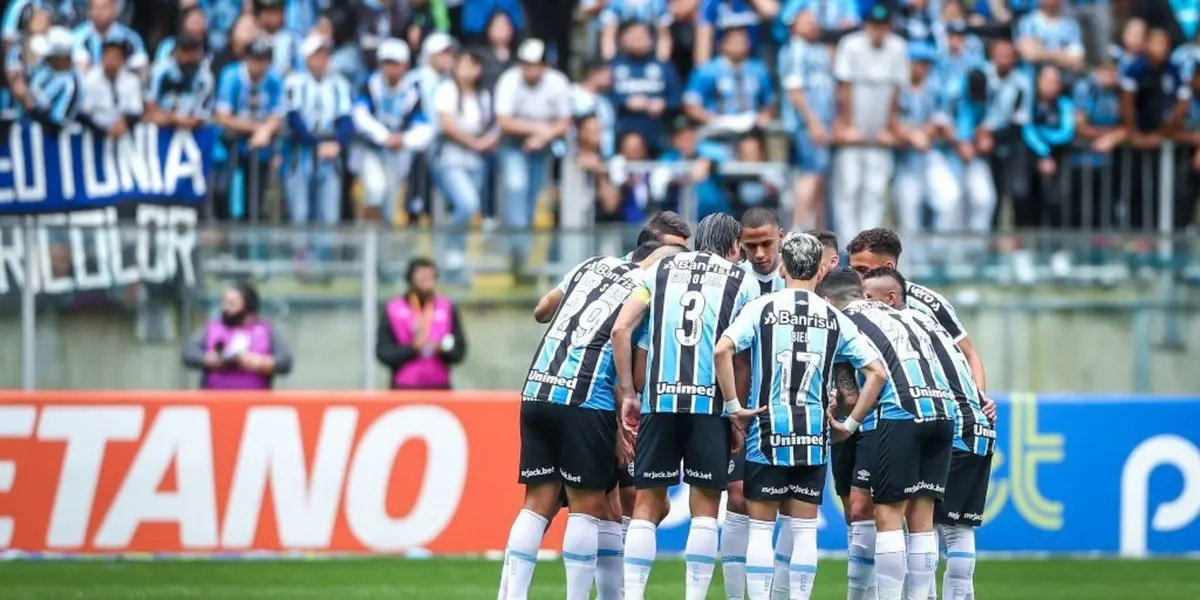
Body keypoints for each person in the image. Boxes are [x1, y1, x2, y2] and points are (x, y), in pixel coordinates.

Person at [498, 242, 685, 600]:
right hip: (585, 398)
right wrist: (628, 396)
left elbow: (543, 309)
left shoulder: (593, 264)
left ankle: (511, 595)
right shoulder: (650, 290)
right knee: (587, 509)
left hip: (537, 390)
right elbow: (631, 360)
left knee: (536, 503)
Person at [715, 233, 887, 600]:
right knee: (804, 531)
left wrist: (733, 407)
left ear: (782, 267)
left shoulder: (762, 307)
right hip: (813, 432)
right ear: (820, 272)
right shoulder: (833, 316)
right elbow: (877, 372)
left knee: (761, 530)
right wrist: (850, 424)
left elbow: (722, 350)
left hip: (769, 429)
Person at [610, 213, 762, 600]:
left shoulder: (659, 270)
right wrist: (736, 414)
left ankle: (632, 596)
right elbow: (740, 358)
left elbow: (621, 329)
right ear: (734, 247)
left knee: (646, 504)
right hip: (710, 406)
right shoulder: (742, 280)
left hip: (659, 401)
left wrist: (629, 391)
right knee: (706, 509)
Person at [819, 267, 957, 600]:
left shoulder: (842, 322)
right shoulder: (905, 315)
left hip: (900, 413)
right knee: (922, 520)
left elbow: (858, 390)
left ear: (828, 302)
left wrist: (847, 423)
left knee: (888, 516)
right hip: (943, 413)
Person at [862, 266, 996, 600]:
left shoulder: (896, 326)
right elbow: (967, 354)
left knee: (922, 524)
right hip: (976, 423)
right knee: (956, 528)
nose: (862, 301)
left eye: (867, 294)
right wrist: (979, 396)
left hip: (945, 419)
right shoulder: (928, 318)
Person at [846, 228, 991, 399]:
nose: (855, 277)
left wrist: (980, 397)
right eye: (852, 269)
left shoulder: (928, 304)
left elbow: (969, 354)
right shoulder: (848, 303)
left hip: (927, 404)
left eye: (863, 270)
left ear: (888, 267)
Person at [831, 3, 908, 251]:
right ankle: (847, 252)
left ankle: (868, 252)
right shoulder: (851, 45)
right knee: (849, 189)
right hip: (853, 131)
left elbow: (896, 92)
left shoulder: (898, 48)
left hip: (879, 133)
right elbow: (844, 89)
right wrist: (845, 126)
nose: (878, 30)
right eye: (874, 25)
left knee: (875, 191)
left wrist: (890, 127)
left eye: (883, 25)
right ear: (866, 25)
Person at [494, 38, 571, 258]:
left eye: (535, 64)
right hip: (513, 143)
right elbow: (503, 120)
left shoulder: (557, 82)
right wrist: (537, 129)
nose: (530, 70)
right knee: (515, 187)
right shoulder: (509, 80)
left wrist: (543, 136)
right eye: (526, 64)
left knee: (532, 196)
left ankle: (520, 247)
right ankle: (520, 247)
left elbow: (564, 121)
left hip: (542, 146)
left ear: (545, 65)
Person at [354, 38, 430, 226]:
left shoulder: (412, 90)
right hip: (372, 150)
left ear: (405, 65)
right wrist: (384, 136)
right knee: (375, 190)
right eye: (387, 63)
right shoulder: (370, 84)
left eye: (395, 63)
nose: (391, 69)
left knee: (391, 201)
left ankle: (383, 240)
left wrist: (404, 139)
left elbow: (423, 126)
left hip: (398, 154)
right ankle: (369, 236)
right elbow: (360, 116)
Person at [432, 48, 496, 260]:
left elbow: (492, 125)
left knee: (466, 210)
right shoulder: (446, 89)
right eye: (464, 64)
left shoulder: (483, 95)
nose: (469, 70)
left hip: (476, 161)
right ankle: (451, 251)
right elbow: (448, 125)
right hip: (450, 159)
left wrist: (486, 141)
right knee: (468, 204)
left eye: (474, 65)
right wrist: (474, 142)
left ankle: (457, 254)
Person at [213, 35, 285, 222]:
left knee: (255, 200)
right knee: (224, 195)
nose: (258, 65)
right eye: (254, 59)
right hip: (230, 146)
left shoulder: (274, 78)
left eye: (263, 60)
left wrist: (265, 131)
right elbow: (222, 116)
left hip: (259, 148)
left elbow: (278, 114)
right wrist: (258, 129)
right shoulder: (231, 76)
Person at [284, 33, 353, 232]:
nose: (321, 59)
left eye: (324, 53)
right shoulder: (295, 82)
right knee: (300, 213)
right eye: (316, 54)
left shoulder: (339, 84)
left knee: (329, 215)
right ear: (306, 57)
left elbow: (345, 118)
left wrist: (337, 144)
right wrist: (316, 145)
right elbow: (294, 119)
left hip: (330, 150)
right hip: (302, 150)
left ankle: (326, 252)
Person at [779, 9, 835, 232]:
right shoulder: (796, 49)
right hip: (806, 125)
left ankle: (818, 233)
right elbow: (795, 91)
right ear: (793, 24)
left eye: (814, 21)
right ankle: (798, 229)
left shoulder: (817, 49)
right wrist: (813, 123)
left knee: (819, 177)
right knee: (812, 174)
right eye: (806, 21)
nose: (812, 24)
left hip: (821, 124)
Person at [181, 282, 294, 389]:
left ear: (248, 305)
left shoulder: (265, 330)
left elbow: (285, 360)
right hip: (214, 399)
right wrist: (209, 359)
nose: (226, 308)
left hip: (255, 400)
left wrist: (258, 362)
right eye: (225, 303)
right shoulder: (211, 328)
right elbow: (189, 352)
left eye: (232, 303)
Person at [375, 257, 467, 389]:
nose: (427, 282)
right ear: (410, 279)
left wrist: (441, 349)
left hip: (440, 388)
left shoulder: (446, 308)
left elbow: (459, 351)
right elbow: (383, 353)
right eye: (422, 277)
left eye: (431, 277)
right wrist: (412, 349)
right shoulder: (393, 309)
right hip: (404, 388)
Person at [610, 20, 682, 152]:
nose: (638, 39)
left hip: (658, 134)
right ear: (622, 39)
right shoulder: (613, 66)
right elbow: (604, 95)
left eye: (642, 35)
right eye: (633, 35)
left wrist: (663, 104)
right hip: (622, 132)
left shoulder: (664, 66)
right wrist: (625, 102)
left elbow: (676, 98)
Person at [146, 34, 214, 130]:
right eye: (185, 51)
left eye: (193, 51)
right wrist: (172, 118)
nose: (189, 57)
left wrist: (185, 121)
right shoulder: (160, 71)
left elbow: (206, 112)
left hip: (193, 128)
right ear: (175, 52)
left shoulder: (205, 77)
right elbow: (150, 107)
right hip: (162, 126)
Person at [80, 36, 142, 138]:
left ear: (123, 60)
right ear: (102, 58)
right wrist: (104, 131)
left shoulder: (132, 81)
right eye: (108, 55)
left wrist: (122, 124)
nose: (112, 60)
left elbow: (136, 111)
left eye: (116, 56)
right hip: (95, 134)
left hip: (123, 132)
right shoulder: (90, 80)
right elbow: (84, 113)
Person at [27, 26, 83, 131]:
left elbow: (57, 121)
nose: (46, 60)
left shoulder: (71, 83)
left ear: (61, 58)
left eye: (50, 57)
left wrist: (32, 108)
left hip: (52, 135)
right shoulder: (44, 70)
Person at [71, 0, 148, 75]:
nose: (99, 12)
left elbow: (141, 65)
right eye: (96, 8)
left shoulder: (130, 38)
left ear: (114, 10)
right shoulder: (77, 36)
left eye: (104, 8)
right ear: (89, 11)